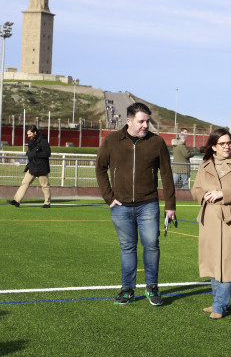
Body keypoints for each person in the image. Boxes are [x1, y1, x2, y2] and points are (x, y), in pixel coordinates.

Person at [95, 102, 176, 306]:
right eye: (141, 121)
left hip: (148, 204)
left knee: (151, 246)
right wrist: (108, 197)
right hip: (120, 206)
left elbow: (166, 174)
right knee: (128, 248)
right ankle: (128, 289)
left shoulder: (157, 142)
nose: (146, 125)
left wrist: (170, 205)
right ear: (129, 121)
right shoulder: (111, 141)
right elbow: (100, 169)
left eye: (148, 121)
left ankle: (152, 287)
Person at [192, 128, 231, 320]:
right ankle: (217, 301)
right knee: (213, 261)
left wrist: (221, 193)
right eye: (223, 144)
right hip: (209, 218)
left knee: (228, 263)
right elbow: (195, 189)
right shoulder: (204, 165)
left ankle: (220, 304)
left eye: (229, 143)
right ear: (213, 146)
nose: (227, 147)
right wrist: (204, 195)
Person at [7, 125, 52, 208]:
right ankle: (16, 201)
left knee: (45, 185)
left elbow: (48, 153)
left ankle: (47, 203)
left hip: (42, 166)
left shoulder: (43, 139)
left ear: (35, 132)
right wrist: (29, 153)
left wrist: (35, 154)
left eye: (29, 134)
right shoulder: (31, 140)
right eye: (27, 134)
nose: (28, 136)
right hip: (32, 166)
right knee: (25, 183)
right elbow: (31, 151)